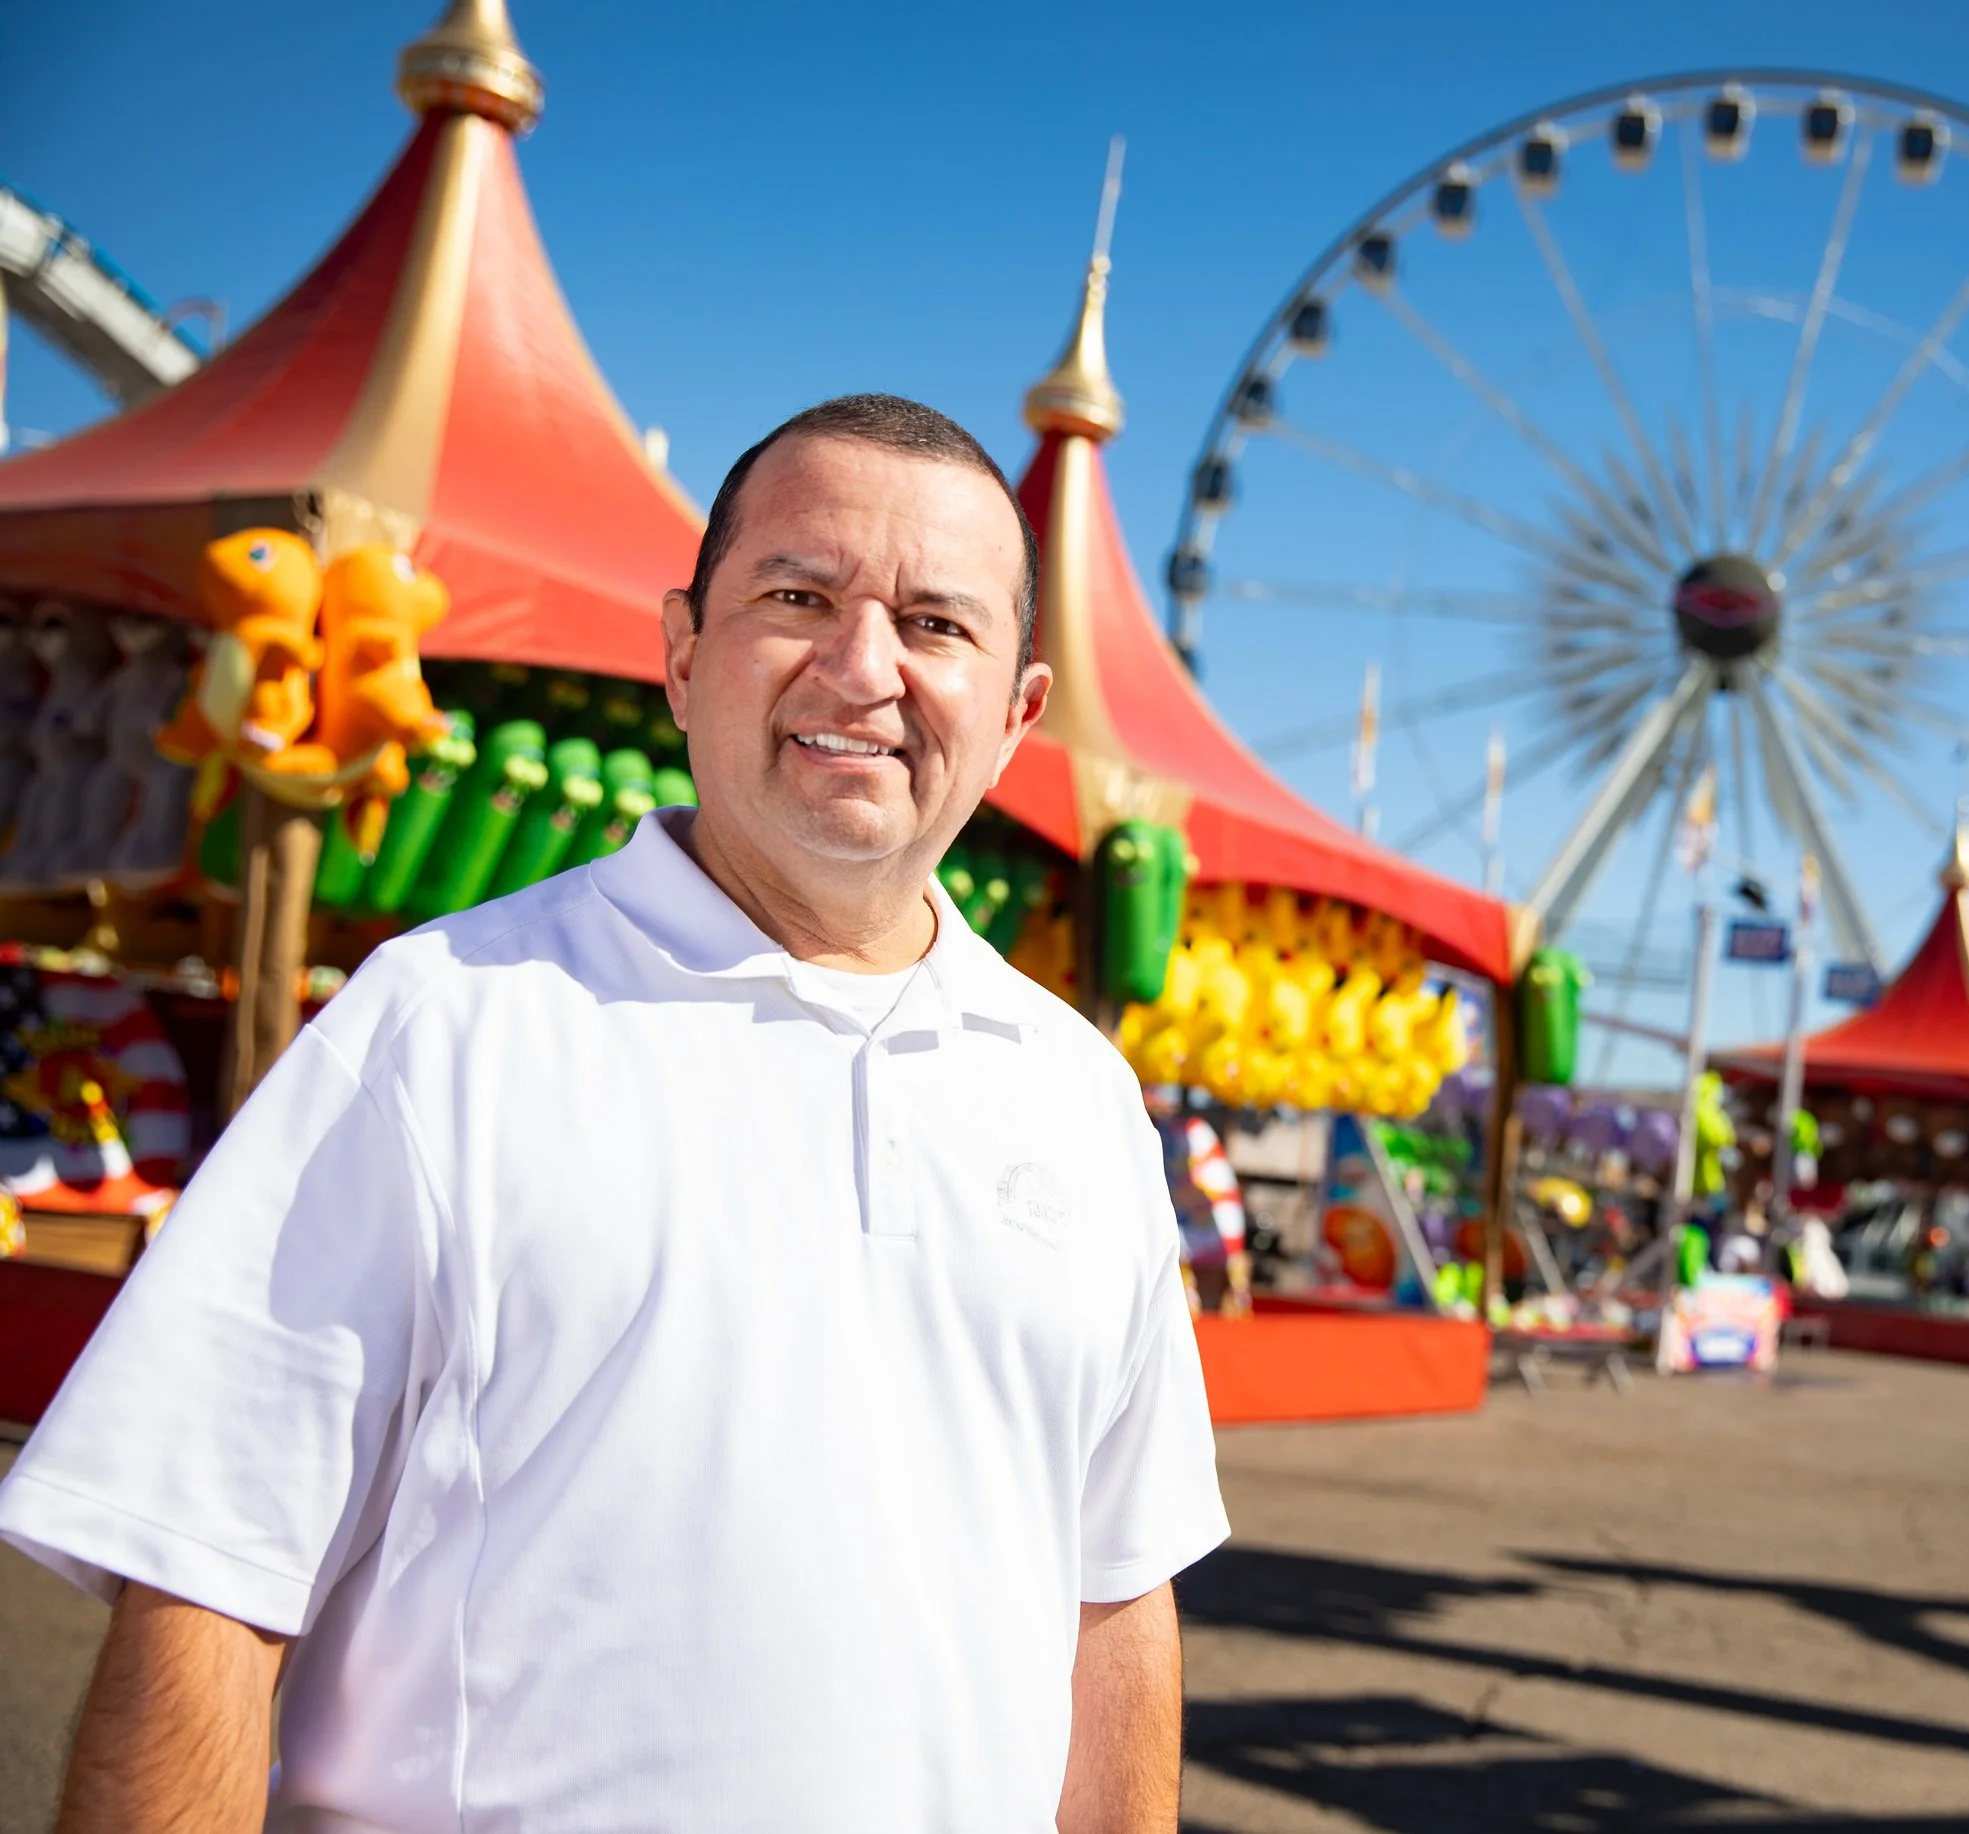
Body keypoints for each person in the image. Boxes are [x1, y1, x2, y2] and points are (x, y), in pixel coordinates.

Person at [0, 394, 1229, 1832]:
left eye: (937, 624)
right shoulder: (440, 1025)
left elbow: (1117, 1602)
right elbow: (203, 1577)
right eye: (798, 595)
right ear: (683, 656)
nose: (863, 666)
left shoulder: (1078, 1096)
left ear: (1018, 713)